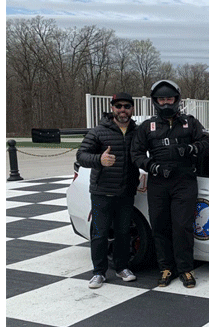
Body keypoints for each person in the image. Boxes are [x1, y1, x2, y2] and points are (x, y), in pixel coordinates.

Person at [132, 80, 209, 288]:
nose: (166, 103)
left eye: (170, 99)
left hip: (184, 180)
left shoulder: (189, 122)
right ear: (155, 101)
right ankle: (166, 268)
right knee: (160, 225)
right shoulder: (147, 126)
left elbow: (208, 143)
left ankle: (185, 269)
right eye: (162, 99)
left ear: (177, 100)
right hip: (159, 181)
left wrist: (191, 149)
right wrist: (152, 167)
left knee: (182, 227)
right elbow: (136, 153)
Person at [76, 92, 144, 289]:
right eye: (119, 106)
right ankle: (98, 273)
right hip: (102, 192)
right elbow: (81, 156)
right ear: (112, 108)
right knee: (100, 233)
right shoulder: (99, 131)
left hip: (126, 192)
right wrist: (99, 160)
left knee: (123, 232)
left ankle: (122, 267)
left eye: (127, 106)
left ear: (132, 109)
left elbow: (142, 155)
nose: (123, 110)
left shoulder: (136, 132)